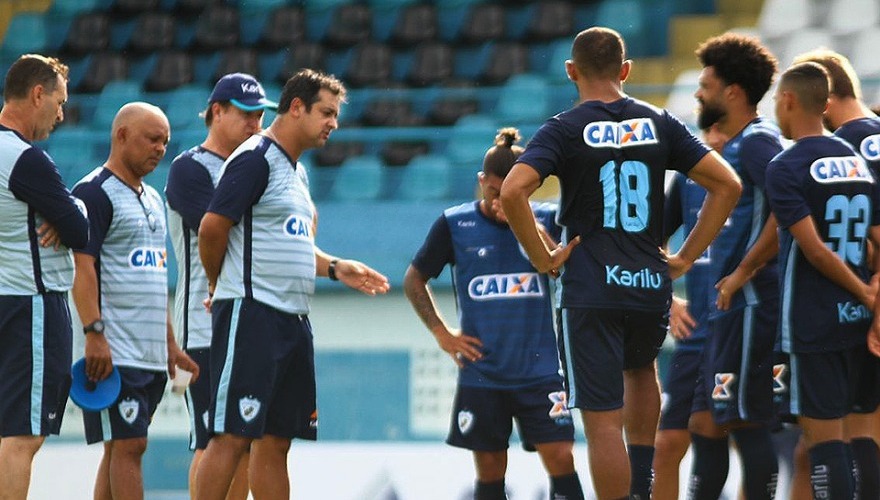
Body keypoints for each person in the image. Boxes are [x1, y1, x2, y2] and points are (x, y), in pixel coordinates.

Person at [499, 27, 742, 500]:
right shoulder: (660, 122)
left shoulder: (564, 127)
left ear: (572, 72)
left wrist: (542, 255)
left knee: (603, 421)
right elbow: (727, 184)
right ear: (626, 71)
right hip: (648, 283)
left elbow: (511, 190)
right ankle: (642, 488)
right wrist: (687, 256)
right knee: (641, 371)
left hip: (591, 285)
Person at [194, 69, 391, 500]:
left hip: (293, 320)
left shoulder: (297, 174)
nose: (333, 124)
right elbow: (211, 229)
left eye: (336, 115)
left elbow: (294, 246)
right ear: (296, 107)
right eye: (326, 112)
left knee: (278, 441)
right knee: (231, 435)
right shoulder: (254, 158)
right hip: (252, 312)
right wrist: (218, 284)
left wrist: (336, 267)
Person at [404, 128, 584, 500]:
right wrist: (441, 332)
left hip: (540, 371)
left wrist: (526, 223)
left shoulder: (549, 221)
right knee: (488, 468)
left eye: (513, 193)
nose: (502, 200)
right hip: (483, 373)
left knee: (562, 456)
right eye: (494, 191)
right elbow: (414, 278)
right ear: (482, 182)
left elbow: (560, 268)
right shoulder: (455, 225)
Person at [71, 102, 199, 500]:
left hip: (148, 352)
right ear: (121, 135)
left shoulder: (153, 199)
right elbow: (82, 266)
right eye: (152, 139)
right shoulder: (94, 192)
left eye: (165, 141)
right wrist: (95, 334)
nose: (161, 148)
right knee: (130, 446)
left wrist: (170, 342)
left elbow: (154, 277)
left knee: (119, 447)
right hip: (113, 350)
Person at [767, 61, 880, 500]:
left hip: (815, 320)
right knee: (864, 431)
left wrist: (864, 292)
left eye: (777, 100)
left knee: (825, 441)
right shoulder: (855, 161)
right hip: (860, 322)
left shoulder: (785, 165)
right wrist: (873, 301)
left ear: (790, 100)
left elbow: (814, 251)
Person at [165, 72, 276, 500]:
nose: (255, 123)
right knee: (213, 438)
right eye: (245, 114)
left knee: (245, 437)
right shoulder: (190, 168)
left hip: (247, 317)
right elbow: (223, 231)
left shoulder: (260, 166)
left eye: (260, 115)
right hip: (204, 322)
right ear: (216, 112)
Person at [684, 33, 784, 500]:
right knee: (706, 421)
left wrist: (742, 273)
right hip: (727, 309)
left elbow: (791, 212)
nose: (699, 93)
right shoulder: (738, 147)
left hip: (752, 304)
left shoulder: (759, 144)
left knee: (746, 420)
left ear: (733, 93)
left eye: (706, 84)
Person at [0, 53, 89, 499]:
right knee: (23, 434)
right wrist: (70, 209)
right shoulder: (25, 159)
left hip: (5, 297)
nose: (60, 113)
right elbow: (79, 230)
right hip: (31, 305)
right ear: (37, 94)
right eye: (58, 101)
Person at [653, 122, 729, 500]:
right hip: (696, 335)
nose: (711, 137)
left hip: (742, 330)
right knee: (667, 444)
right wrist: (668, 297)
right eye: (706, 129)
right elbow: (651, 241)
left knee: (743, 440)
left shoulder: (761, 167)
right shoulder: (686, 181)